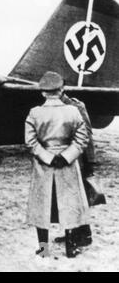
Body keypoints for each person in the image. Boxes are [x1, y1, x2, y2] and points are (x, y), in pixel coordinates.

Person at [25, 71, 89, 258]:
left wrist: (47, 157)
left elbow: (30, 142)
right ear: (61, 90)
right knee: (69, 204)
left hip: (43, 165)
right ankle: (71, 248)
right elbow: (82, 138)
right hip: (67, 164)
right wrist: (66, 156)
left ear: (43, 92)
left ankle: (44, 249)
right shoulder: (73, 111)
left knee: (41, 207)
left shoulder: (34, 113)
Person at [51, 93, 98, 247]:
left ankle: (85, 236)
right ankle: (71, 234)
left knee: (78, 201)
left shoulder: (76, 106)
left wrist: (90, 162)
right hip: (62, 161)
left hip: (78, 162)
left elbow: (87, 135)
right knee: (65, 200)